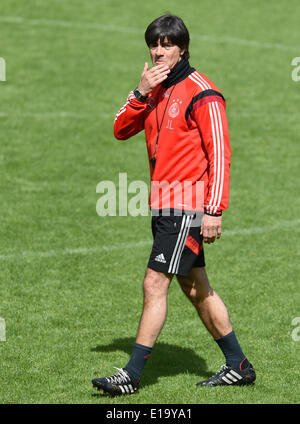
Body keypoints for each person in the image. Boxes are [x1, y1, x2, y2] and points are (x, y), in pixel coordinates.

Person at [92, 14, 255, 395]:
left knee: (154, 283)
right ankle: (239, 365)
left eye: (167, 44)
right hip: (163, 205)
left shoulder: (204, 93)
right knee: (196, 287)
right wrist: (140, 91)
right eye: (154, 44)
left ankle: (131, 375)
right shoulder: (156, 88)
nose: (159, 51)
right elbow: (120, 130)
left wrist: (214, 210)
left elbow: (221, 156)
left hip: (187, 206)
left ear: (183, 48)